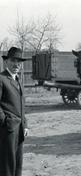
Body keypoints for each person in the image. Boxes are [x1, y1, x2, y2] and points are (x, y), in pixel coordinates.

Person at [0, 47, 29, 176]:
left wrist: (25, 124)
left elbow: (21, 105)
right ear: (6, 62)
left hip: (20, 130)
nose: (16, 64)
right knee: (7, 166)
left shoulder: (18, 80)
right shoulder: (1, 79)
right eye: (13, 60)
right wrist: (5, 121)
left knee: (18, 166)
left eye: (19, 61)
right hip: (7, 130)